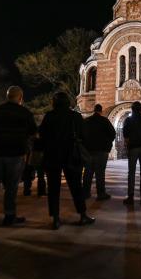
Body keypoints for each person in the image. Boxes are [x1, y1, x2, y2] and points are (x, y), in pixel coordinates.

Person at [0, 86, 37, 227]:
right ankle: (9, 215)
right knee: (11, 187)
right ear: (20, 97)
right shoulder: (24, 113)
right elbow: (33, 133)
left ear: (8, 96)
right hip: (15, 153)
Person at [40, 92, 95, 229]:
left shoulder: (49, 116)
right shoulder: (75, 116)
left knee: (53, 187)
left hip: (53, 155)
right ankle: (82, 215)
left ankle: (56, 219)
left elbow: (42, 135)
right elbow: (85, 135)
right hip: (72, 155)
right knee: (76, 186)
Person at [82, 104, 116, 200]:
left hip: (88, 151)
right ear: (100, 111)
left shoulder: (87, 121)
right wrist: (107, 145)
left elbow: (81, 134)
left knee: (88, 173)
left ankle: (85, 193)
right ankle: (101, 194)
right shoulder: (104, 121)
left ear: (94, 110)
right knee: (100, 173)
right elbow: (112, 134)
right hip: (101, 151)